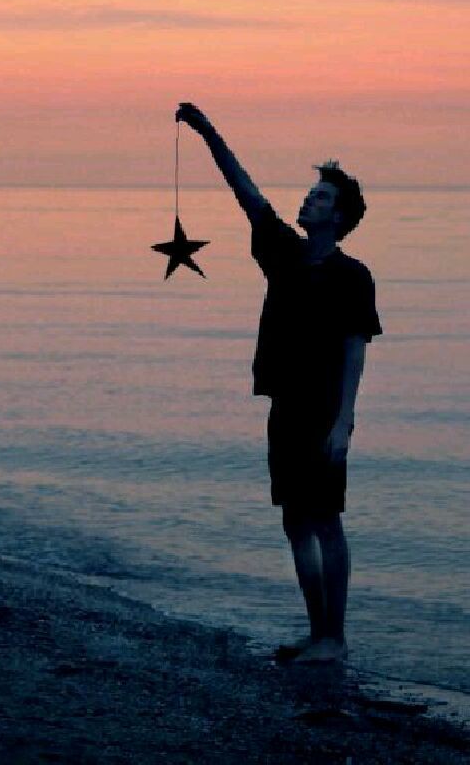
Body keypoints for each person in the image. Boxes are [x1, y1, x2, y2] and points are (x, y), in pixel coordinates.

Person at [175, 102, 382, 663]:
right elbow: (243, 190)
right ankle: (317, 633)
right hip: (285, 407)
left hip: (323, 411)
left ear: (339, 216)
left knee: (326, 521)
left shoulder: (352, 276)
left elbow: (355, 349)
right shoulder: (284, 255)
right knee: (295, 521)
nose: (309, 200)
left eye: (322, 198)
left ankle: (335, 638)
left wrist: (344, 423)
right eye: (310, 194)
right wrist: (207, 131)